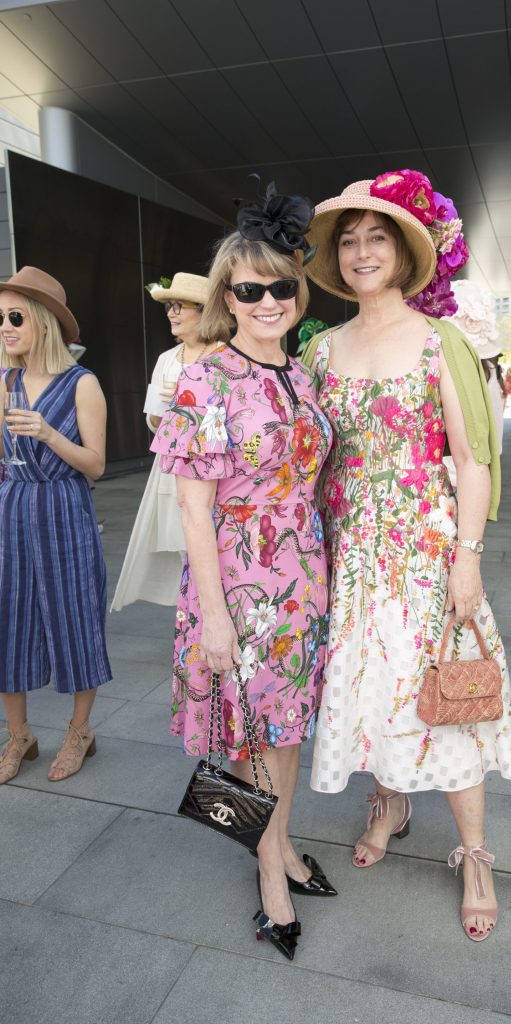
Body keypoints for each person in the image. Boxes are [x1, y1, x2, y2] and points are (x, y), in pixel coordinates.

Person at [301, 172, 511, 942]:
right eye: (348, 240)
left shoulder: (438, 341)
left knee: (444, 699)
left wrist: (467, 557)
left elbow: (472, 461)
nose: (361, 252)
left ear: (403, 253)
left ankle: (475, 854)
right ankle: (389, 802)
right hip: (348, 558)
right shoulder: (319, 349)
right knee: (371, 691)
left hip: (424, 556)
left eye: (376, 238)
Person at [151, 190, 335, 962]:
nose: (267, 301)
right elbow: (192, 510)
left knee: (284, 729)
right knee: (247, 731)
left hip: (302, 581)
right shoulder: (208, 379)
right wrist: (216, 615)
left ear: (298, 290)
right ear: (227, 298)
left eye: (280, 286)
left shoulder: (303, 374)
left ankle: (279, 841)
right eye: (249, 289)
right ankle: (268, 870)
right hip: (237, 584)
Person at [0, 266, 110, 784]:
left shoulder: (82, 384)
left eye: (15, 317)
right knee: (8, 621)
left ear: (43, 321)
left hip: (64, 509)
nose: (4, 327)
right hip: (12, 509)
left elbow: (96, 465)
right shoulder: (4, 382)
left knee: (75, 618)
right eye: (0, 318)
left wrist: (47, 433)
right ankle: (19, 735)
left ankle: (80, 731)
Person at [111, 273, 220, 611]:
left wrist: (191, 406)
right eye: (169, 306)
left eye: (179, 306)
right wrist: (167, 413)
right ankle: (192, 618)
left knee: (214, 550)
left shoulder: (225, 356)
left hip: (212, 469)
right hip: (171, 468)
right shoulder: (167, 359)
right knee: (182, 555)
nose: (171, 313)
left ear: (204, 311)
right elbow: (155, 422)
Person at [450, 281, 504, 454]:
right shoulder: (488, 368)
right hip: (477, 457)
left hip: (459, 459)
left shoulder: (483, 370)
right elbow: (496, 431)